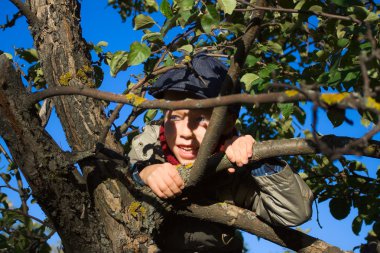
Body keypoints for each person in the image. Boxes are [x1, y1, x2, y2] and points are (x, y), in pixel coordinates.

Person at [128, 53, 313, 252]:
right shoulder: (150, 144)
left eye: (199, 120)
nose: (185, 134)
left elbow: (295, 212)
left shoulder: (236, 173)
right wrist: (146, 171)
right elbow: (129, 165)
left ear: (227, 123)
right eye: (175, 118)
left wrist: (258, 161)